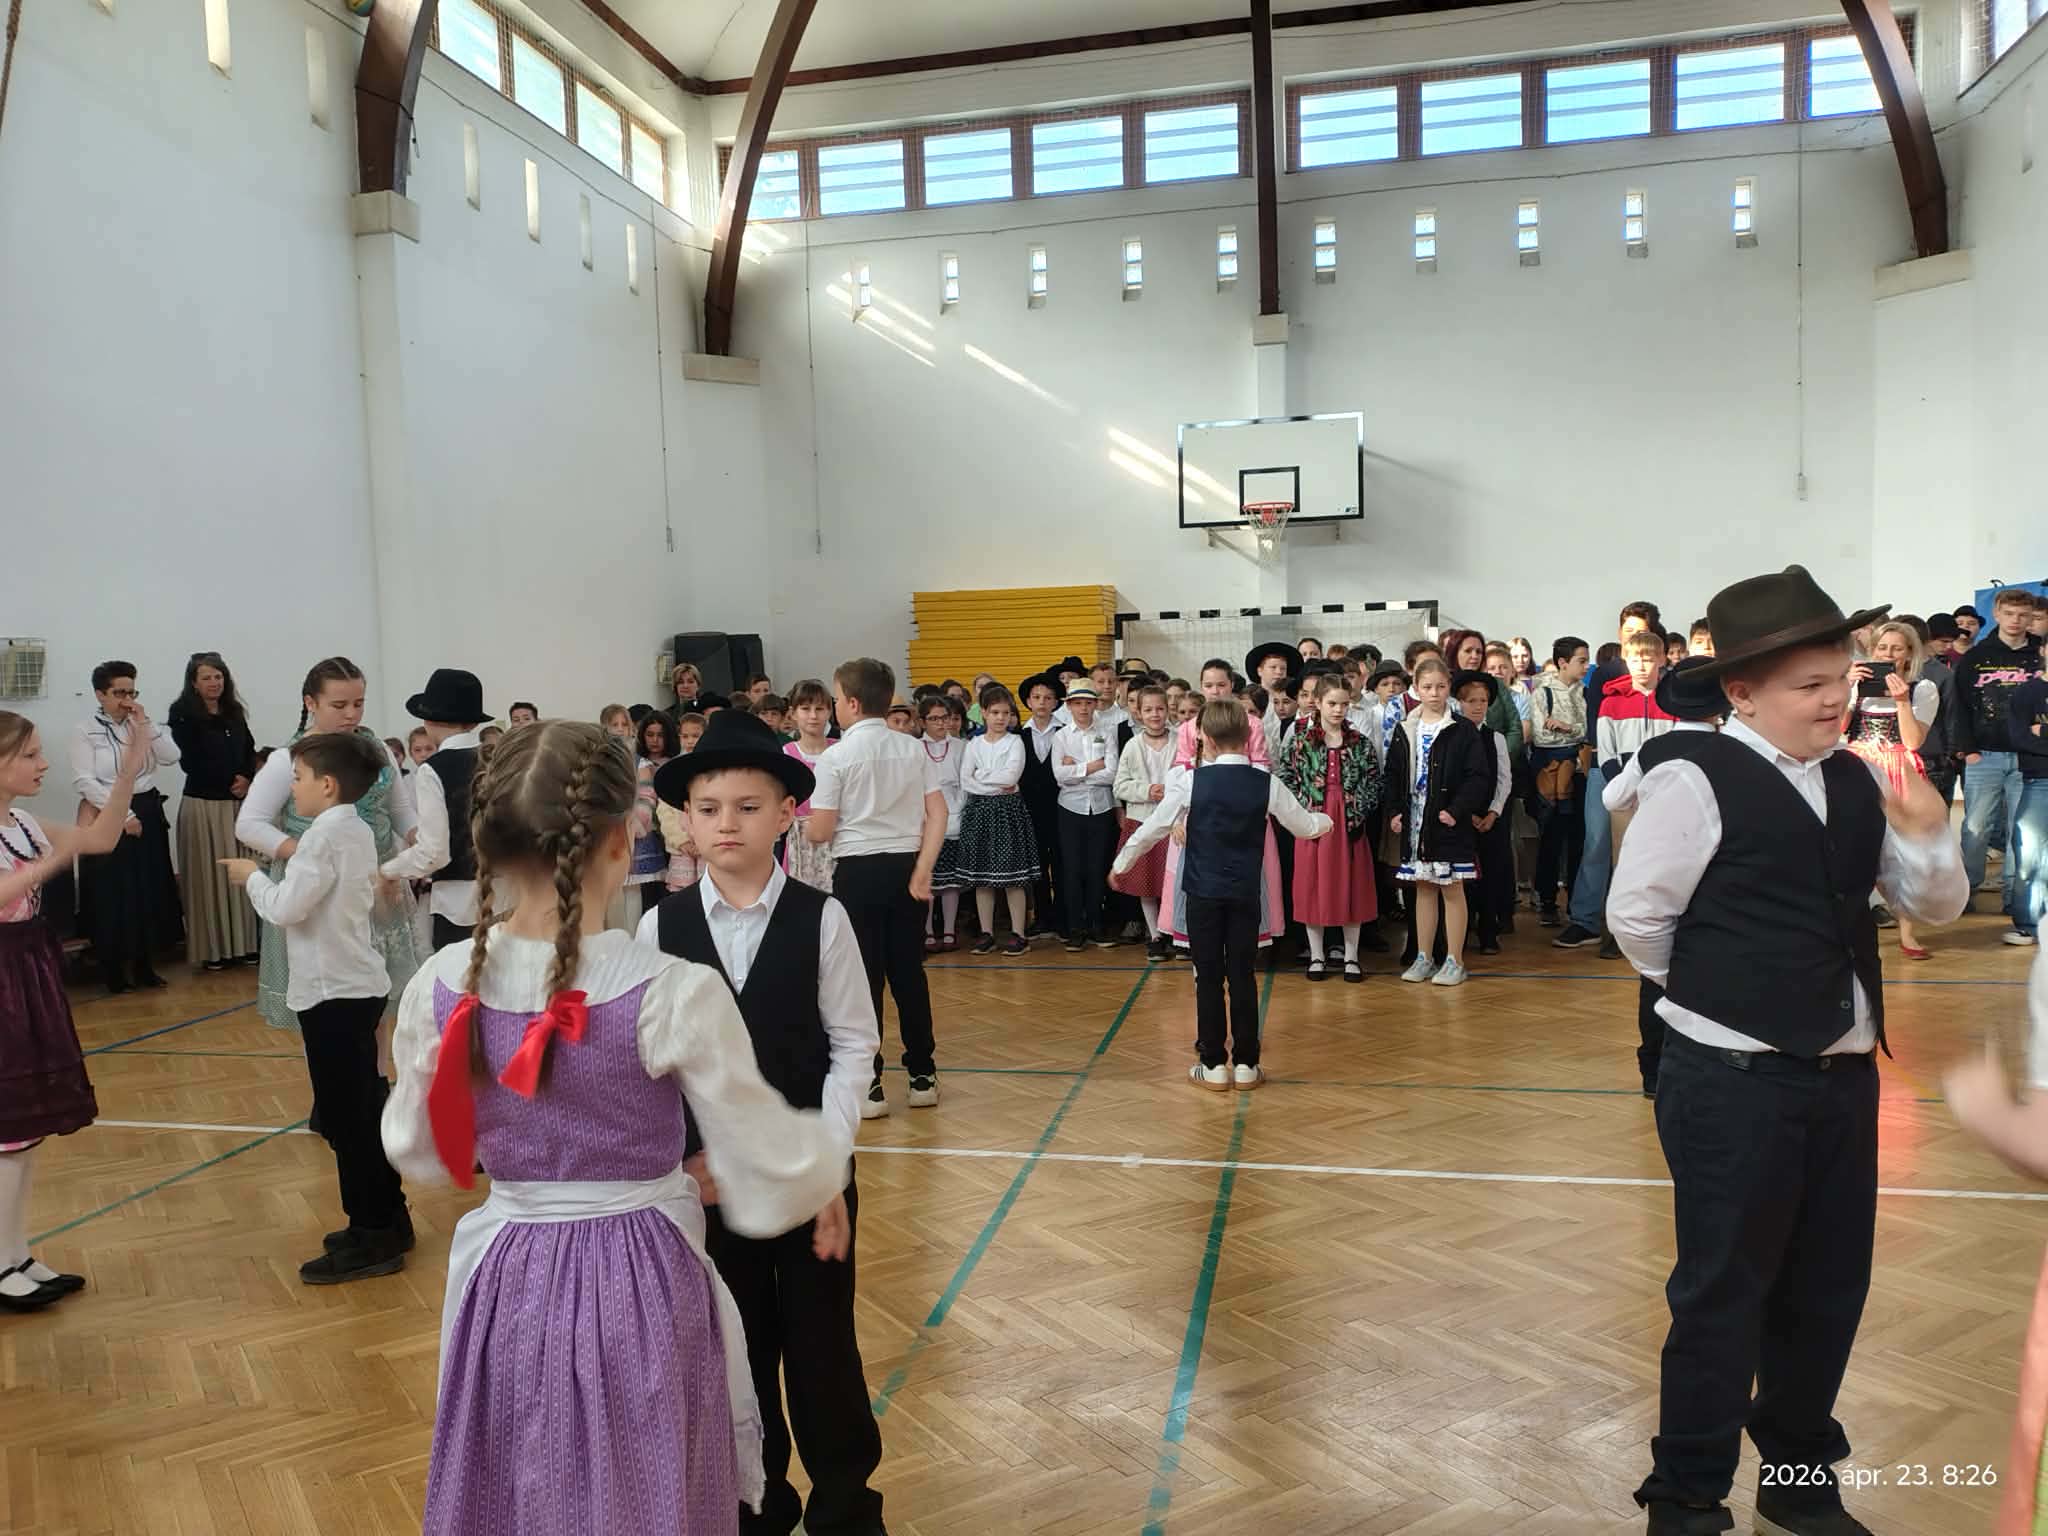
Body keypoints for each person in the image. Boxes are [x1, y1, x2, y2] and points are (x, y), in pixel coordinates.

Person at [379, 721, 846, 1532]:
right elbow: (765, 1158)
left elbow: (416, 1149)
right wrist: (815, 1177)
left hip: (509, 1277)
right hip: (641, 1279)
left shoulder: (442, 982)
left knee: (524, 1485)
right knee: (644, 1485)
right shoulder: (671, 990)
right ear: (621, 841)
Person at [1607, 566, 1967, 1536]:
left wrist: (1929, 835)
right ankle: (1686, 1496)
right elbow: (1638, 920)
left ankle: (1798, 1480)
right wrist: (1723, 994)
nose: (1835, 697)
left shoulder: (1856, 777)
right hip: (1729, 1080)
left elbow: (1930, 908)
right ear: (1741, 692)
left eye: (1841, 677)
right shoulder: (1691, 777)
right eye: (1810, 684)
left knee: (1827, 1292)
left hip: (1842, 1077)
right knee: (1722, 1292)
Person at [636, 710, 884, 1536]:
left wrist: (826, 1165)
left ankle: (847, 1509)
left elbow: (853, 1046)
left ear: (785, 815)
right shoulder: (660, 926)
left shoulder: (823, 917)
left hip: (812, 1180)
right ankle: (755, 1505)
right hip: (709, 1185)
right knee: (734, 1351)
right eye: (709, 809)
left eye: (748, 807)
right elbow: (654, 1059)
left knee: (822, 1349)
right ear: (685, 818)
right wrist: (683, 1160)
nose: (727, 824)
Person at [223, 732, 410, 1283]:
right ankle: (387, 1217)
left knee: (347, 1121)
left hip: (333, 994)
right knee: (362, 1111)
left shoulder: (322, 839)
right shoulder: (354, 830)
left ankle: (372, 1233)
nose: (293, 789)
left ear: (326, 786)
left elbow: (287, 908)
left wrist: (253, 878)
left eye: (298, 779)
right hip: (355, 986)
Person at [0, 709, 154, 1310]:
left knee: (25, 1132)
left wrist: (127, 775)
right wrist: (48, 863)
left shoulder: (21, 823)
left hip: (27, 974)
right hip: (4, 979)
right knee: (8, 1131)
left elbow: (101, 840)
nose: (43, 764)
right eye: (30, 755)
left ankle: (15, 1255)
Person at [1113, 698, 1331, 1089]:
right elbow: (1305, 827)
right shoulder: (1266, 782)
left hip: (1202, 893)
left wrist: (1121, 864)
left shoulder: (1191, 781)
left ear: (1206, 740)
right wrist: (1327, 820)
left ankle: (1212, 1064)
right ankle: (1246, 1064)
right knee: (1243, 976)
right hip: (1246, 892)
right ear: (1248, 736)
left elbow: (1152, 829)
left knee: (1209, 977)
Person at [239, 660, 426, 1039]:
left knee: (377, 993)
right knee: (328, 1002)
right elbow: (250, 823)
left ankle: (374, 1071)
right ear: (311, 703)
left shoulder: (375, 749)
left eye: (358, 703)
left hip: (377, 881)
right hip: (317, 887)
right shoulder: (289, 759)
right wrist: (305, 851)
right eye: (339, 705)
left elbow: (400, 809)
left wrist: (419, 838)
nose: (351, 714)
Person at [804, 658, 946, 1119]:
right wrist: (923, 869)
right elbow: (938, 814)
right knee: (909, 973)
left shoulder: (835, 757)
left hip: (857, 873)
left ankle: (871, 1084)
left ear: (850, 703)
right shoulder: (912, 748)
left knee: (863, 981)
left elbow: (821, 831)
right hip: (906, 867)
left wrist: (798, 824)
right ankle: (923, 1075)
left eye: (834, 699)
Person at [1600, 658, 1727, 1100]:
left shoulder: (1653, 750)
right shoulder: (1732, 749)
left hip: (1659, 868)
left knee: (1654, 977)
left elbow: (1612, 797)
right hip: (1714, 873)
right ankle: (1707, 1063)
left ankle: (1654, 1070)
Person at [70, 660, 183, 991]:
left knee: (147, 887)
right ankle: (113, 970)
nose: (127, 700)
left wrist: (145, 723)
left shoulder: (141, 724)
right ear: (100, 695)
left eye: (132, 692)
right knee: (113, 891)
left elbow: (172, 756)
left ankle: (145, 964)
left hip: (146, 806)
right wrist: (123, 816)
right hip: (107, 810)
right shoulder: (85, 730)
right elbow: (85, 781)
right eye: (119, 693)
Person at [1556, 601, 1663, 951]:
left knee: (1644, 852)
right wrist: (1619, 777)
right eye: (1627, 630)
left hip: (1654, 781)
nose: (1632, 637)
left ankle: (1633, 925)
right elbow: (1596, 725)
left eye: (1640, 631)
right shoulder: (1604, 673)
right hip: (1607, 769)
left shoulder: (1666, 683)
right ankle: (1586, 920)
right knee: (1597, 842)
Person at [1387, 657, 1490, 987]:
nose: (1434, 693)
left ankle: (1455, 959)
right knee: (1424, 887)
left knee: (1452, 888)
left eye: (1441, 686)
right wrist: (1395, 811)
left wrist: (1457, 810)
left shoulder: (1463, 729)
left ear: (1450, 689)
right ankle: (1424, 955)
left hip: (1447, 821)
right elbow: (1393, 774)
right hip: (1417, 820)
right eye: (1427, 687)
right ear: (1416, 689)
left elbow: (1478, 777)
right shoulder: (1406, 728)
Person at [1845, 621, 1943, 958]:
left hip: (1898, 770)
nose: (1888, 654)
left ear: (1909, 654)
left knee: (1903, 854)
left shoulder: (1922, 689)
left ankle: (1907, 932)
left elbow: (1914, 741)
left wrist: (1901, 701)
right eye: (1882, 648)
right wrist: (1848, 691)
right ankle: (1852, 925)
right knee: (1855, 849)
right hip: (1858, 767)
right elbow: (1839, 730)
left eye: (1896, 648)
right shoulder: (1853, 685)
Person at [1952, 588, 2046, 937]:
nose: (2016, 621)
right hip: (1985, 754)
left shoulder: (2040, 655)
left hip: (2029, 757)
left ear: (2031, 617)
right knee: (1976, 829)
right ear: (1996, 613)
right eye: (2009, 614)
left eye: (2023, 615)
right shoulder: (1976, 656)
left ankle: (2012, 898)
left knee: (2020, 833)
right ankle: (1965, 892)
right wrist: (1967, 749)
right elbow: (1959, 705)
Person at [1277, 673, 1379, 981]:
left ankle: (1351, 956)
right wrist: (1304, 808)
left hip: (1349, 823)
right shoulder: (1300, 741)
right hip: (1314, 822)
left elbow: (1374, 781)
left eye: (1344, 704)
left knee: (1352, 887)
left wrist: (1358, 808)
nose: (1338, 710)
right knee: (1312, 887)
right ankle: (1317, 955)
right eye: (1332, 703)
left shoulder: (1360, 743)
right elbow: (1286, 777)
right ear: (1318, 703)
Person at [380, 670, 490, 950]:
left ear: (427, 720)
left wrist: (389, 870)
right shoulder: (499, 759)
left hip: (458, 904)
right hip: (509, 896)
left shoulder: (433, 769)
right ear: (473, 721)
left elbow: (434, 852)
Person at [168, 650, 259, 972]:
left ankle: (246, 945)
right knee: (209, 879)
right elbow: (190, 759)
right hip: (203, 805)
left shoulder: (234, 711)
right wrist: (228, 781)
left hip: (236, 804)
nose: (213, 682)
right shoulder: (182, 714)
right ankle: (215, 950)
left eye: (218, 676)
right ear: (193, 683)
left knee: (242, 875)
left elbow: (249, 748)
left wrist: (246, 778)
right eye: (206, 677)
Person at [956, 683, 1036, 955]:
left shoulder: (1015, 742)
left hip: (1007, 812)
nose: (1001, 718)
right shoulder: (974, 744)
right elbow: (966, 779)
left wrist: (982, 776)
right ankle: (986, 932)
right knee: (982, 879)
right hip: (979, 812)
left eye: (1006, 713)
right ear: (984, 713)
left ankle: (1019, 933)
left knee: (1013, 878)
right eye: (995, 712)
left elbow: (1011, 777)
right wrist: (992, 782)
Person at [1110, 684, 1177, 961]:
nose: (1155, 714)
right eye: (1148, 709)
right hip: (1142, 820)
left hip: (1174, 822)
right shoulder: (1132, 745)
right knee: (1146, 882)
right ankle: (1155, 935)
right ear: (1138, 712)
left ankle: (1177, 933)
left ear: (1168, 710)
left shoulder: (1179, 740)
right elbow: (1119, 785)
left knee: (1172, 881)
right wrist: (1147, 790)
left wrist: (1172, 792)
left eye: (1160, 708)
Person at [1529, 637, 1591, 926]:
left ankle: (1577, 900)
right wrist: (1573, 734)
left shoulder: (1585, 692)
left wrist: (1567, 728)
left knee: (1579, 837)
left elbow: (1588, 731)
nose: (1586, 666)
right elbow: (1542, 735)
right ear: (1563, 662)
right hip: (1550, 770)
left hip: (1579, 771)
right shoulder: (1543, 692)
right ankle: (1547, 900)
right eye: (1581, 660)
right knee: (1550, 838)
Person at [1053, 681, 1118, 952]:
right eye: (1077, 703)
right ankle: (1075, 928)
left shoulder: (1107, 732)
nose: (1083, 708)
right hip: (1070, 809)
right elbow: (1059, 776)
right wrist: (1092, 767)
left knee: (1096, 867)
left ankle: (1096, 924)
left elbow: (1111, 774)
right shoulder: (1061, 736)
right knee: (1072, 869)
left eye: (1088, 703)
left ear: (1095, 705)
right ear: (1069, 705)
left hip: (1101, 808)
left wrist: (1076, 769)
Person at [1453, 672, 1515, 957]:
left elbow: (1504, 779)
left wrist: (1493, 812)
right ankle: (1461, 930)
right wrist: (1465, 814)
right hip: (1461, 818)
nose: (1478, 706)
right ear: (1459, 703)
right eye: (1471, 701)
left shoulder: (1496, 738)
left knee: (1491, 875)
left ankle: (1489, 932)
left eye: (1483, 701)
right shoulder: (1452, 736)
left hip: (1490, 820)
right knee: (1463, 877)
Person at [1017, 673, 1066, 939]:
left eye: (1048, 698)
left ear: (1056, 702)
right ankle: (1042, 916)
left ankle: (1062, 916)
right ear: (1028, 701)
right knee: (1037, 865)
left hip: (1061, 809)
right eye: (1036, 697)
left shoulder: (1065, 732)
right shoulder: (1018, 736)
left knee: (1061, 863)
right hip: (1031, 811)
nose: (1042, 702)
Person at [920, 695, 967, 952]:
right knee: (928, 879)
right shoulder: (915, 748)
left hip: (954, 818)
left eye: (944, 718)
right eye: (934, 718)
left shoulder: (960, 747)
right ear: (923, 721)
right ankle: (927, 930)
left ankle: (949, 930)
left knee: (951, 882)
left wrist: (958, 811)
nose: (940, 723)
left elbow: (966, 782)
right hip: (925, 821)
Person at [782, 680, 837, 894]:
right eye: (805, 709)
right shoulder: (786, 754)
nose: (813, 715)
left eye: (820, 709)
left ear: (829, 712)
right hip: (800, 841)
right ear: (793, 713)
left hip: (836, 835)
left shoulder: (840, 750)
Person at [2010, 652, 2048, 945]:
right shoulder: (2026, 692)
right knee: (2029, 854)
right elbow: (2019, 737)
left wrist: (2043, 731)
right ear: (2044, 650)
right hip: (2039, 781)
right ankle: (2028, 924)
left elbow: (2033, 735)